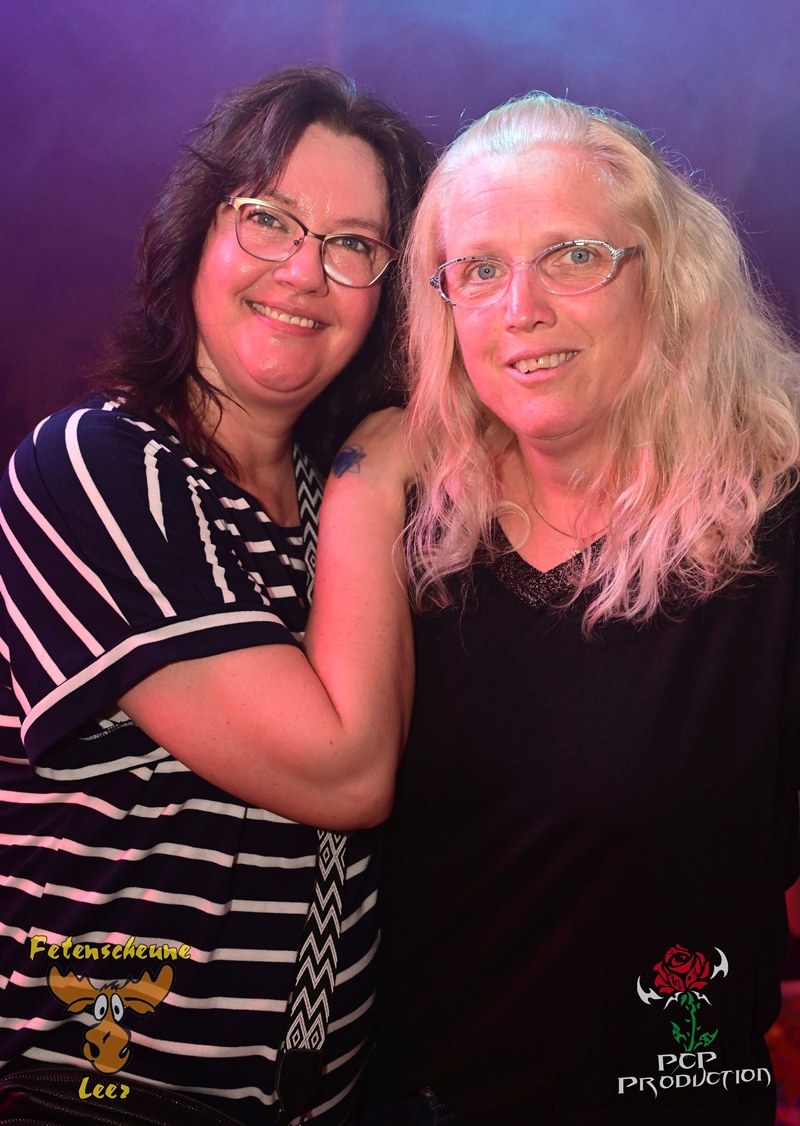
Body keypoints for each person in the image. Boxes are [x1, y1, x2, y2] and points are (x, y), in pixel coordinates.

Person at [0, 66, 431, 1125]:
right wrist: (377, 466)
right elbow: (344, 771)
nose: (305, 271)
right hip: (100, 1095)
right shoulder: (97, 465)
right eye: (268, 218)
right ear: (197, 233)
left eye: (354, 244)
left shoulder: (333, 509)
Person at [359, 93, 800, 1125]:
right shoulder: (403, 529)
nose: (521, 307)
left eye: (572, 256)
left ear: (667, 280)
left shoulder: (774, 535)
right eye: (478, 269)